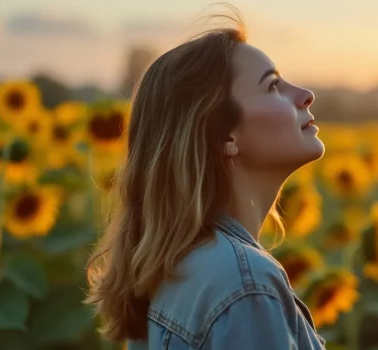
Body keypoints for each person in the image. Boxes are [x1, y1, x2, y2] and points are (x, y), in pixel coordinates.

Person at [85, 15, 326, 350]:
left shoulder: (174, 269)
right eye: (272, 85)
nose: (305, 95)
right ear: (223, 135)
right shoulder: (246, 283)